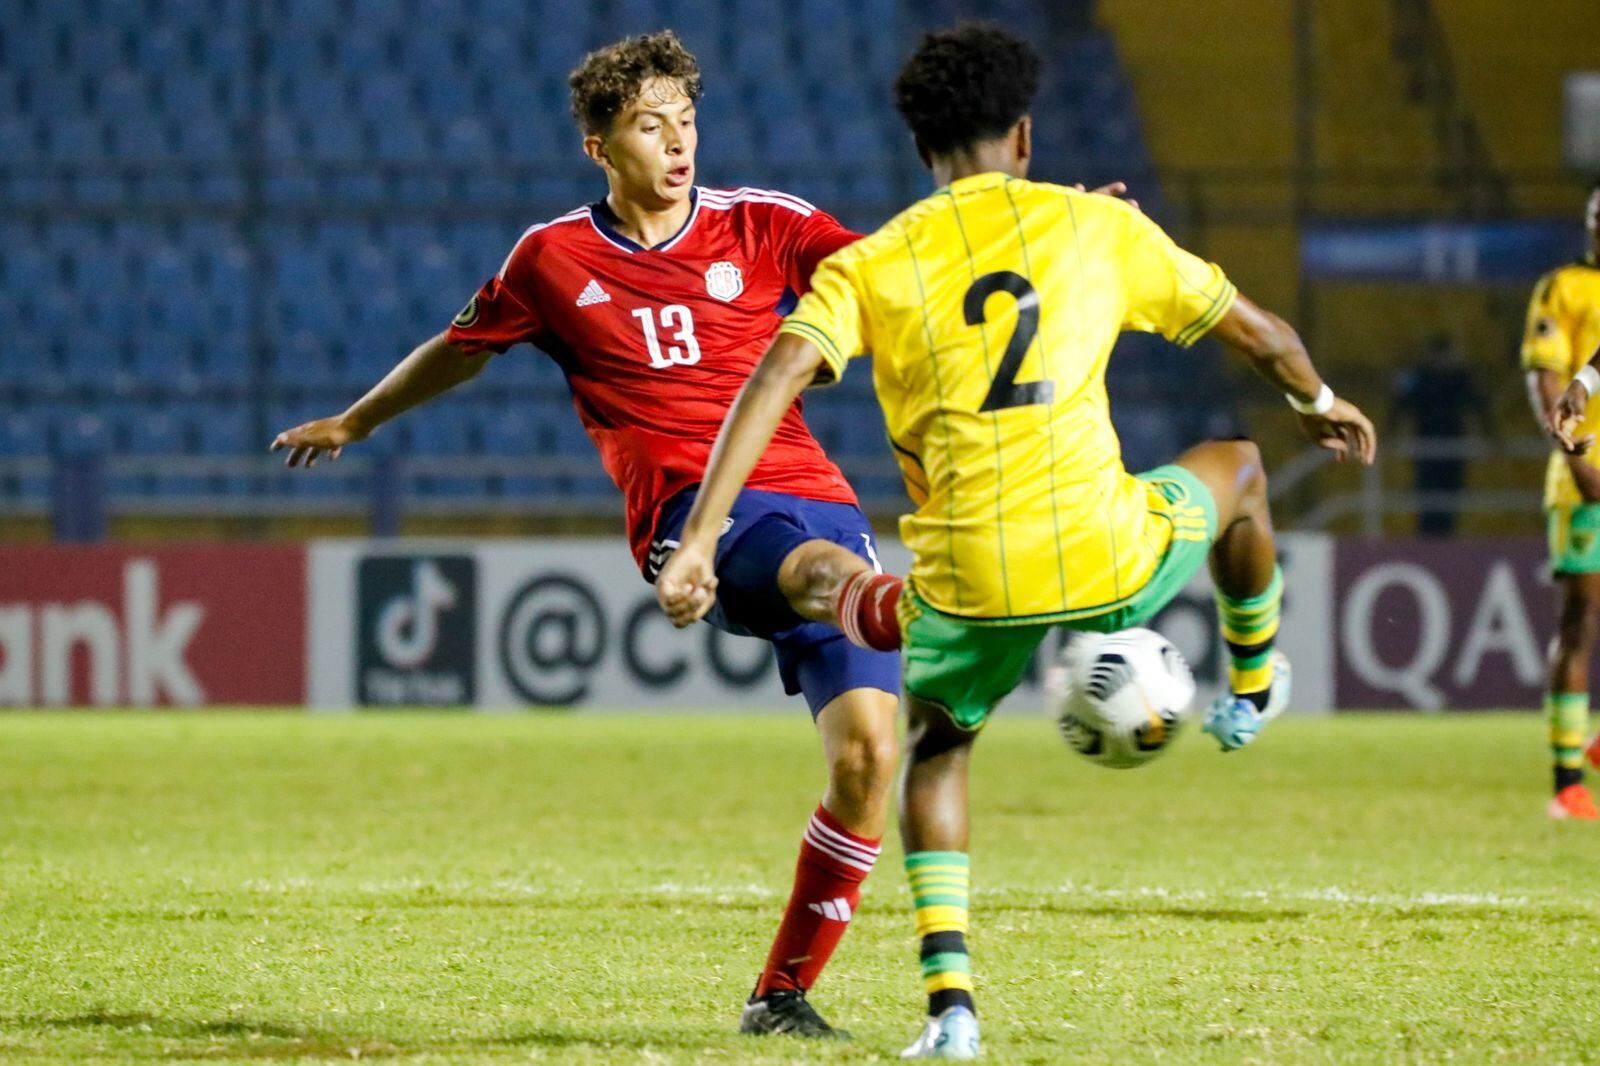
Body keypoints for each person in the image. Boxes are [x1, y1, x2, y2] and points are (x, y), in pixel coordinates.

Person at [655, 23, 1377, 1058]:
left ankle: (951, 1009)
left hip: (970, 581)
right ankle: (1254, 684)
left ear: (920, 149)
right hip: (1110, 548)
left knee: (936, 752)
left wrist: (700, 535)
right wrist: (1318, 400)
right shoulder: (1100, 227)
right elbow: (1264, 335)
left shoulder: (872, 264)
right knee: (1244, 469)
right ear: (1026, 136)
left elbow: (772, 377)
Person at [271, 31, 907, 1039]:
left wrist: (1045, 231)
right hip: (689, 516)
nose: (677, 143)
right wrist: (357, 420)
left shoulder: (766, 223)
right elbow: (461, 349)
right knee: (823, 576)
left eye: (686, 122)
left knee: (870, 758)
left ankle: (779, 997)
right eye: (650, 127)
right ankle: (920, 606)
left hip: (814, 492)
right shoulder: (553, 258)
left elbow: (904, 273)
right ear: (599, 147)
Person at [1527, 179, 1600, 821]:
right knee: (1581, 618)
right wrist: (1576, 458)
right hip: (1588, 470)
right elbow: (1546, 376)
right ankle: (1567, 780)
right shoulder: (1566, 287)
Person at [1389, 333, 1493, 536]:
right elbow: (1399, 405)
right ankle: (1427, 535)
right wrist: (1390, 433)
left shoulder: (1461, 378)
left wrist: (1490, 435)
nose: (1442, 361)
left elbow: (1480, 405)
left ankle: (1446, 535)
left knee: (1450, 496)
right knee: (1426, 495)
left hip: (1453, 447)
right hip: (1426, 447)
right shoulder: (1420, 377)